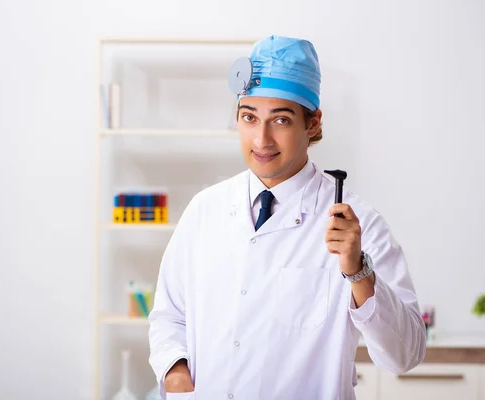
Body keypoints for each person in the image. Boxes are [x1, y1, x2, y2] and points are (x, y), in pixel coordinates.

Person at [148, 34, 426, 400]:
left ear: (312, 124)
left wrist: (359, 271)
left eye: (280, 120)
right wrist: (176, 376)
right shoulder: (205, 209)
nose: (261, 139)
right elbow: (168, 316)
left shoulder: (359, 224)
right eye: (249, 118)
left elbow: (405, 355)